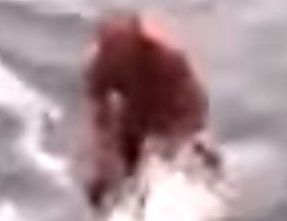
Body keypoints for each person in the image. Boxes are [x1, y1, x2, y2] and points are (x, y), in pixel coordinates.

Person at [82, 11, 220, 209]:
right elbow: (98, 109)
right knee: (122, 167)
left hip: (169, 108)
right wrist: (102, 163)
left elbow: (195, 100)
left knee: (194, 148)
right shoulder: (101, 61)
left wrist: (193, 130)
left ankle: (207, 176)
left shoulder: (169, 56)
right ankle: (125, 200)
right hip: (137, 113)